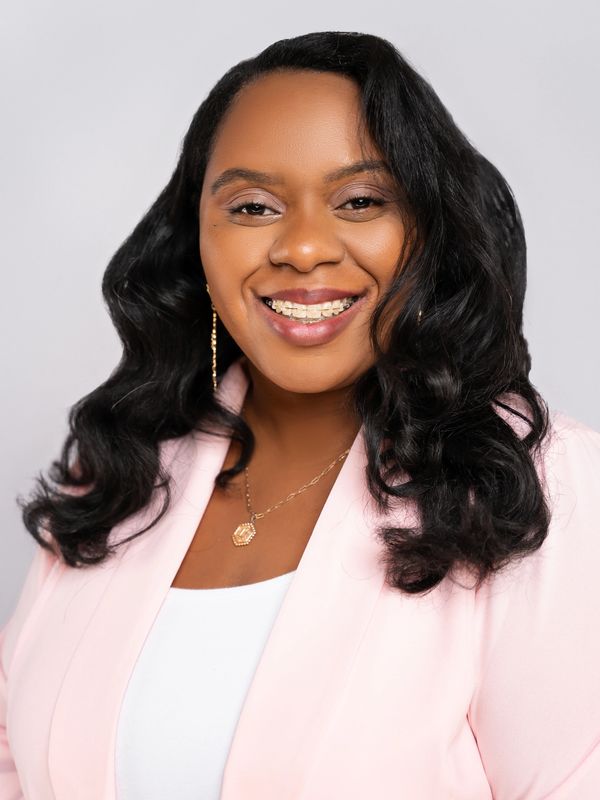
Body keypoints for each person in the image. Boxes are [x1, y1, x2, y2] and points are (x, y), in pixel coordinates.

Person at [1, 30, 599, 800]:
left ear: (427, 232)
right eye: (253, 206)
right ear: (198, 243)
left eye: (360, 201)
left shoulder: (543, 484)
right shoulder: (122, 474)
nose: (305, 247)